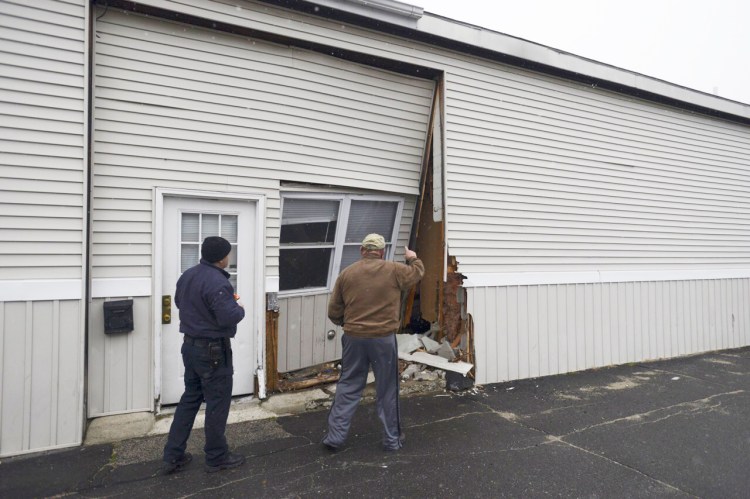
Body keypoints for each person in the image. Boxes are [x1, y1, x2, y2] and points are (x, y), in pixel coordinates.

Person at [323, 233, 425, 451]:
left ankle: (335, 437)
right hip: (383, 339)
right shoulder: (395, 270)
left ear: (362, 251)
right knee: (387, 388)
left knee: (348, 385)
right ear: (382, 252)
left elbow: (334, 311)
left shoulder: (347, 274)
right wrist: (413, 258)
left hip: (353, 338)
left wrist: (347, 324)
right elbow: (416, 274)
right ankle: (391, 440)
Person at [162, 236, 246, 474]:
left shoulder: (188, 275)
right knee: (217, 403)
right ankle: (217, 457)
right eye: (228, 254)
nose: (229, 258)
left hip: (190, 347)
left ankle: (173, 455)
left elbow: (180, 303)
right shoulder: (217, 283)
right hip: (213, 351)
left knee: (190, 398)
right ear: (222, 258)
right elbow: (228, 316)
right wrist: (239, 310)